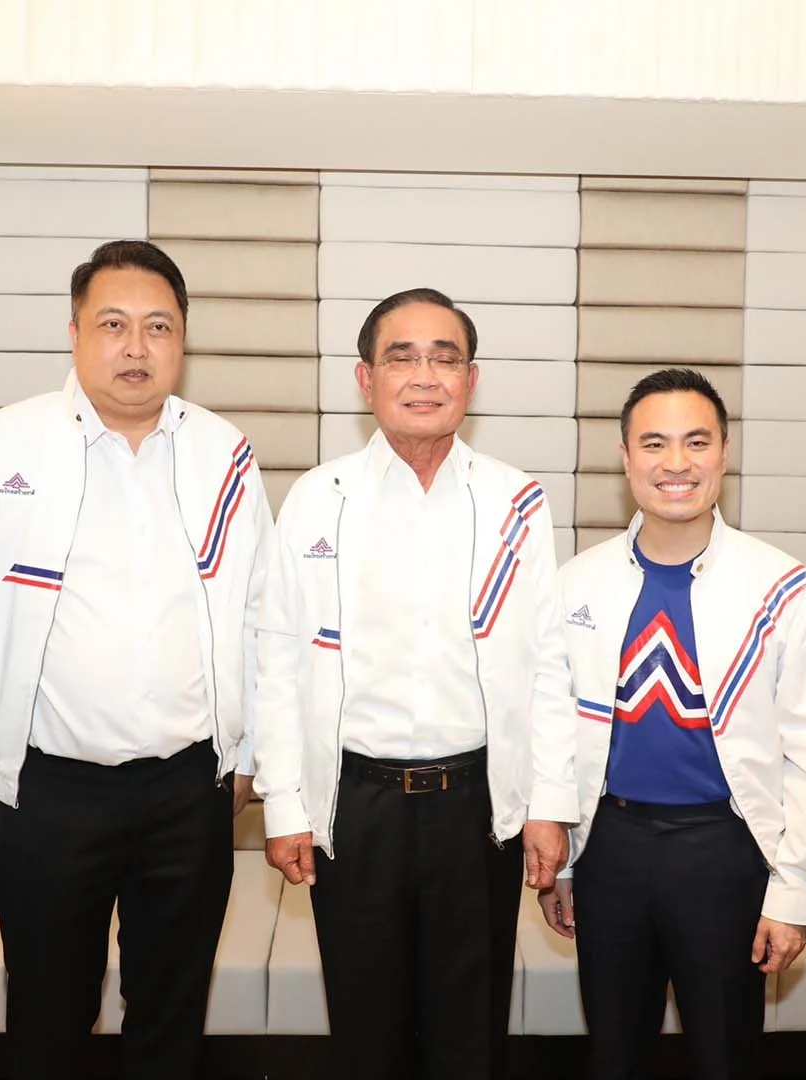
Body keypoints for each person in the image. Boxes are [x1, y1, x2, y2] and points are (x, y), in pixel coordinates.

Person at [0, 239, 270, 1080]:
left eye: (158, 327)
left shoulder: (225, 453)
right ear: (75, 333)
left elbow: (259, 616)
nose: (136, 347)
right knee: (48, 1015)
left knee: (171, 1016)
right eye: (113, 324)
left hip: (189, 789)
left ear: (183, 341)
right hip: (48, 789)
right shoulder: (0, 447)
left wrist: (249, 757)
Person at [252, 286, 578, 1080]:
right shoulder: (318, 499)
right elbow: (277, 659)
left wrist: (549, 803)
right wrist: (284, 804)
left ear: (471, 380)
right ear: (366, 379)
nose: (425, 376)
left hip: (477, 809)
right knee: (367, 1035)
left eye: (445, 358)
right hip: (355, 806)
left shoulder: (516, 501)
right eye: (402, 357)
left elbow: (548, 662)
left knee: (470, 1037)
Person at [546, 368, 806, 1080]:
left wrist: (795, 891)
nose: (675, 463)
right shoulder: (578, 582)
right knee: (612, 1057)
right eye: (654, 443)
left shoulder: (779, 585)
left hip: (724, 852)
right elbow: (553, 725)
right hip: (610, 849)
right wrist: (565, 857)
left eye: (696, 442)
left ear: (724, 453)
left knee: (724, 1058)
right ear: (625, 457)